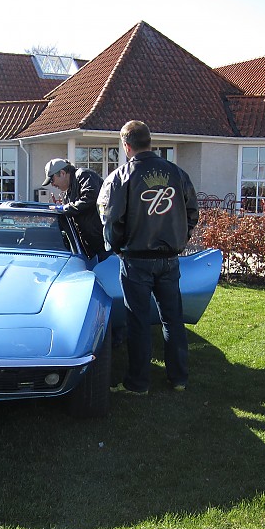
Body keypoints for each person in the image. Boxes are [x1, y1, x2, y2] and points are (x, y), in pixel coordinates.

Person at [98, 120, 199, 395]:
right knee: (173, 319)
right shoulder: (177, 173)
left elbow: (111, 218)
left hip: (136, 259)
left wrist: (116, 247)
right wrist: (180, 239)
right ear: (150, 142)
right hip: (169, 259)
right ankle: (179, 379)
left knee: (139, 321)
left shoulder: (121, 177)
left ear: (126, 145)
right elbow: (192, 211)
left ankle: (138, 383)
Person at [42, 158, 107, 260]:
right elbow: (68, 218)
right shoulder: (67, 194)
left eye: (52, 180)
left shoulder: (84, 175)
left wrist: (64, 208)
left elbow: (91, 197)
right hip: (88, 248)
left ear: (62, 173)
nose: (52, 185)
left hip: (104, 244)